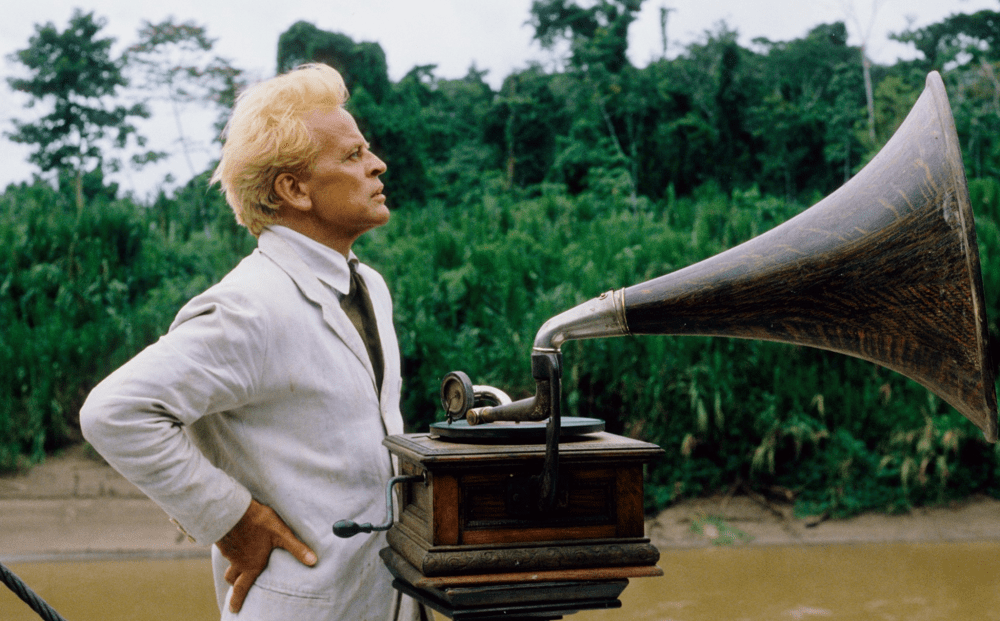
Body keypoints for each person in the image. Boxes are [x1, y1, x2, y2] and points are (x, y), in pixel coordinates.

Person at [80, 63, 422, 621]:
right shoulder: (250, 306)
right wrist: (231, 518)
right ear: (295, 189)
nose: (377, 163)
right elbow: (115, 413)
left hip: (386, 600)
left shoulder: (369, 286)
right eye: (352, 155)